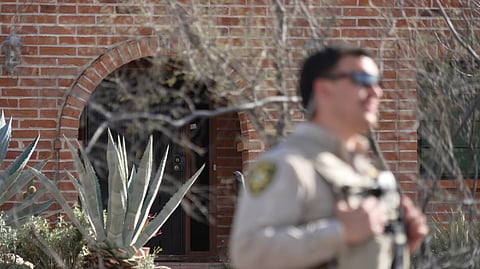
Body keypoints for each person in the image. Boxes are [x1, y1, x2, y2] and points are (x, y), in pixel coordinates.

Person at [229, 45, 429, 269]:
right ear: (324, 89)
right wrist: (340, 233)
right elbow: (248, 253)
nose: (376, 92)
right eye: (362, 79)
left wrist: (399, 246)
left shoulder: (364, 171)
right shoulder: (286, 165)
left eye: (378, 82)